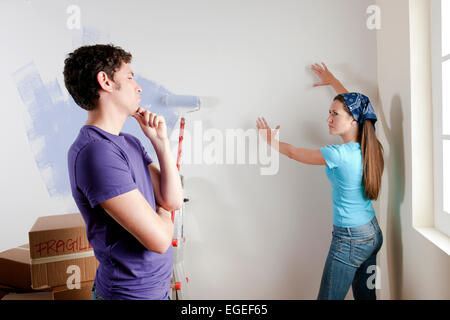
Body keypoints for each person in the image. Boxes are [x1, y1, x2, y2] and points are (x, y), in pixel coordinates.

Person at [64, 44, 183, 300]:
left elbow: (173, 201)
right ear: (105, 81)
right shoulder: (96, 153)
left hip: (155, 292)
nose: (138, 87)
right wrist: (162, 210)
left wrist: (161, 144)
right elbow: (160, 240)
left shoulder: (129, 142)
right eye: (129, 77)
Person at [256, 63, 384, 300]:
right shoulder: (372, 146)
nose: (328, 118)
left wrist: (269, 141)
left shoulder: (339, 155)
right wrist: (333, 80)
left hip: (350, 240)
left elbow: (295, 153)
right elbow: (359, 107)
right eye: (330, 112)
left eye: (334, 114)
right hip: (372, 233)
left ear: (353, 120)